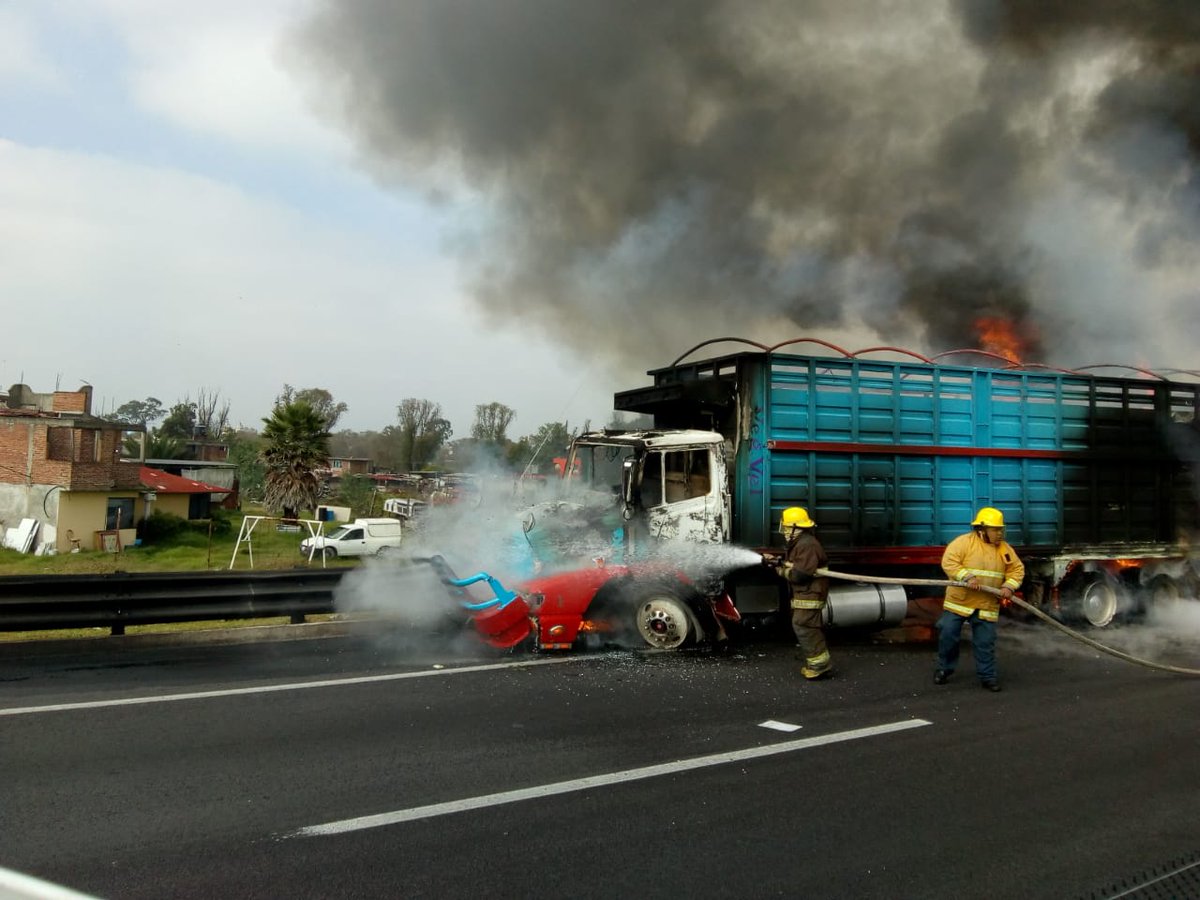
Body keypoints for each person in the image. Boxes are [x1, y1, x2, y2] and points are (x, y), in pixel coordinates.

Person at [935, 506, 1025, 692]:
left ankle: (988, 678)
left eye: (1001, 529)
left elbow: (1017, 570)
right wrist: (966, 576)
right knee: (948, 635)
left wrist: (1008, 586)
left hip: (986, 604)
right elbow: (949, 561)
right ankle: (944, 669)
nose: (999, 533)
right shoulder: (963, 543)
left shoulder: (1005, 549)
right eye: (995, 529)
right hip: (959, 602)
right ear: (981, 529)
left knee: (985, 642)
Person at [778, 506, 832, 680]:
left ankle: (819, 665)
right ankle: (816, 662)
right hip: (805, 593)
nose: (784, 531)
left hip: (811, 592)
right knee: (803, 624)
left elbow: (800, 575)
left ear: (796, 527)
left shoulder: (806, 544)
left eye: (786, 528)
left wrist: (781, 572)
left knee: (804, 625)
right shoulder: (800, 543)